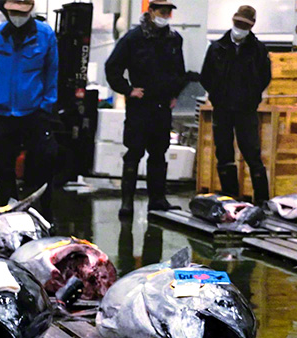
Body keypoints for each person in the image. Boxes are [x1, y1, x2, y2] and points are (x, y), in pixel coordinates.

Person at [0, 0, 59, 218]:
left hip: (34, 112)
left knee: (43, 164)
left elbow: (52, 73)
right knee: (2, 167)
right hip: (3, 113)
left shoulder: (45, 35)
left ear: (30, 10)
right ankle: (7, 215)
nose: (16, 17)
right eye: (12, 12)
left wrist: (46, 106)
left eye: (21, 12)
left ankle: (45, 217)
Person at [104, 0, 187, 217]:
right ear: (150, 11)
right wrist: (127, 90)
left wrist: (175, 94)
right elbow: (112, 67)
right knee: (134, 152)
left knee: (159, 153)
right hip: (140, 107)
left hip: (163, 106)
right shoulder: (133, 38)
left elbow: (180, 71)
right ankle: (127, 202)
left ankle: (157, 200)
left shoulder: (174, 39)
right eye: (162, 12)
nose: (165, 16)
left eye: (168, 13)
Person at [201, 5, 270, 202]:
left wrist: (251, 96)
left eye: (245, 26)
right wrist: (217, 95)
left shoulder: (258, 50)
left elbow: (265, 77)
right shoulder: (217, 48)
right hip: (222, 108)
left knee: (252, 152)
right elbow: (206, 75)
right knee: (223, 152)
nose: (240, 29)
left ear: (252, 26)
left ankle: (262, 200)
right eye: (238, 24)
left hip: (246, 109)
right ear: (233, 22)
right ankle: (230, 197)